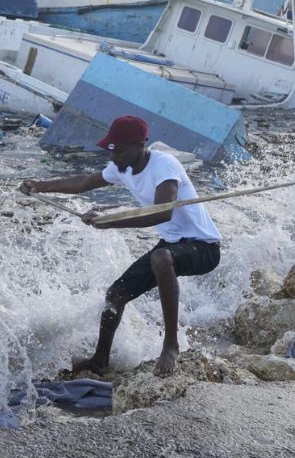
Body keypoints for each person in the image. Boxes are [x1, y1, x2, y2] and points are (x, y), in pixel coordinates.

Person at [19, 116, 222, 377]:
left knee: (161, 258)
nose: (114, 157)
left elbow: (162, 213)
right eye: (111, 151)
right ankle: (100, 360)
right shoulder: (121, 167)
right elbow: (84, 183)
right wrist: (40, 186)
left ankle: (171, 344)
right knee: (115, 295)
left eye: (120, 151)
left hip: (204, 247)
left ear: (141, 145)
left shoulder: (165, 165)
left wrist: (109, 221)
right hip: (172, 245)